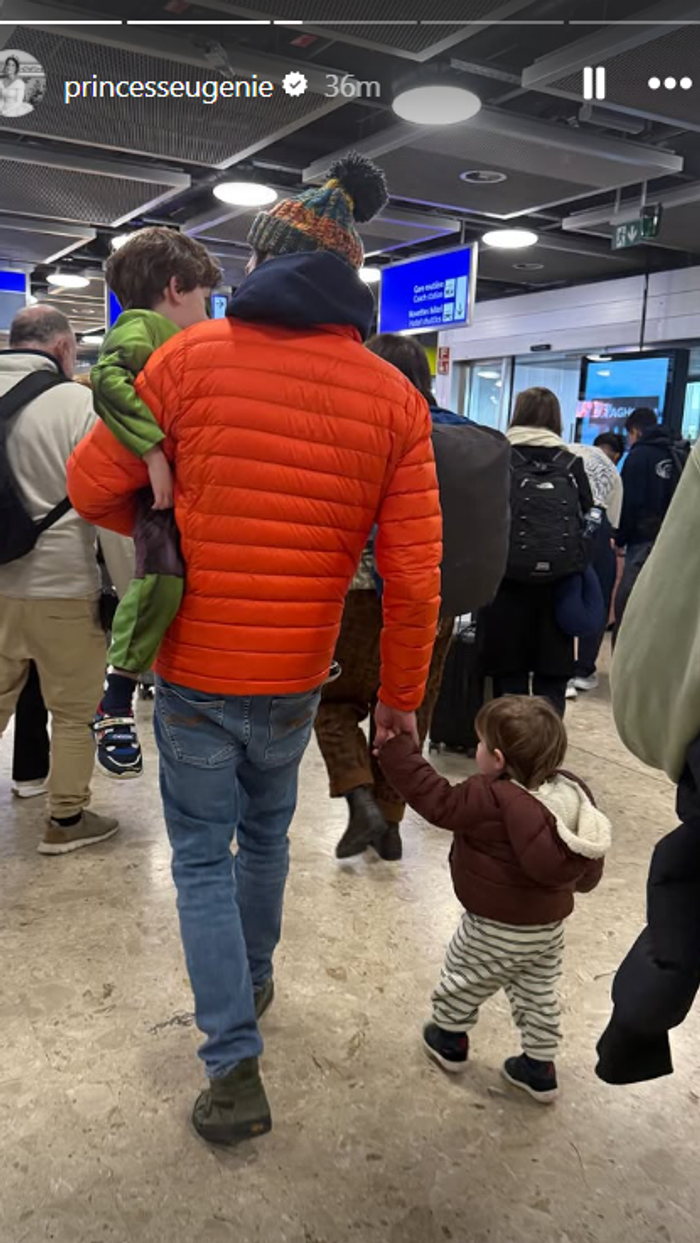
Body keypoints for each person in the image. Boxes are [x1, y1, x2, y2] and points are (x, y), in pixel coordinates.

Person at [67, 154, 442, 1146]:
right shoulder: (395, 397)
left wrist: (172, 496)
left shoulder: (186, 363)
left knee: (198, 854)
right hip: (296, 676)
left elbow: (92, 485)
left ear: (259, 264)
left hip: (193, 666)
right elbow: (412, 577)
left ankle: (232, 1064)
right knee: (267, 839)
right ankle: (258, 973)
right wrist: (397, 697)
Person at [377, 695, 611, 1102]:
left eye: (481, 745)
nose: (478, 752)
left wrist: (399, 753)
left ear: (497, 759)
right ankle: (539, 1067)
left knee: (465, 975)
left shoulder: (489, 796)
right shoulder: (571, 796)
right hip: (548, 930)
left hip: (493, 926)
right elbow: (587, 863)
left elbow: (437, 801)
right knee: (537, 992)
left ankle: (448, 1038)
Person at [314, 332, 463, 863]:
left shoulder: (359, 425)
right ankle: (392, 823)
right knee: (408, 709)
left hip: (357, 595)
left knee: (332, 702)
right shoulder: (466, 435)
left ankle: (359, 798)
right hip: (437, 602)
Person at [90, 228, 223, 780]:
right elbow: (106, 379)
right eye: (204, 298)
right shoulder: (143, 328)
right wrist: (152, 453)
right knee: (160, 577)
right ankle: (116, 695)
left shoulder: (180, 343)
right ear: (175, 287)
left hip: (186, 488)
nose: (209, 311)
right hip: (157, 494)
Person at [0, 305, 119, 854]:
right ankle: (65, 821)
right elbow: (109, 505)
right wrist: (126, 586)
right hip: (62, 585)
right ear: (65, 348)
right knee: (73, 712)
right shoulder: (80, 403)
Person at [477, 388, 594, 718]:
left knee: (507, 671)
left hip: (505, 582)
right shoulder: (571, 463)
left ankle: (508, 748)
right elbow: (590, 519)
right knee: (552, 675)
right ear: (557, 419)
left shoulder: (499, 455)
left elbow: (482, 515)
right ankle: (546, 751)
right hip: (559, 587)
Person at [566, 436, 623, 695]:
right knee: (595, 597)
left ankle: (561, 669)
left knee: (562, 591)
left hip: (562, 519)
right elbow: (614, 525)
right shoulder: (613, 473)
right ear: (616, 455)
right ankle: (584, 670)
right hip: (597, 524)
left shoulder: (567, 450)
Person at [614, 407, 680, 631]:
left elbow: (629, 501)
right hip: (673, 540)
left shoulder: (638, 456)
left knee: (629, 601)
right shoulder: (676, 452)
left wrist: (619, 538)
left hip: (642, 539)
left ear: (635, 431)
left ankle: (624, 657)